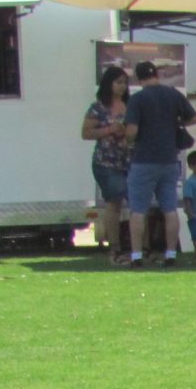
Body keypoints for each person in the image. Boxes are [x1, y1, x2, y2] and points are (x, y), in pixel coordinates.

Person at [122, 60, 196, 268]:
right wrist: (175, 123)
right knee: (170, 209)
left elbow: (131, 132)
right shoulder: (173, 94)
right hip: (169, 159)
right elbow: (194, 118)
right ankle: (171, 253)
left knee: (138, 210)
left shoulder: (137, 99)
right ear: (157, 74)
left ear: (138, 79)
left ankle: (137, 256)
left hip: (144, 160)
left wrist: (127, 143)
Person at [81, 65, 131, 264]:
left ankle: (137, 247)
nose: (122, 87)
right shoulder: (98, 107)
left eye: (125, 83)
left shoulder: (131, 104)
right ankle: (115, 245)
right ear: (108, 84)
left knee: (136, 203)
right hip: (106, 161)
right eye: (118, 82)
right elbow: (86, 133)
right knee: (114, 202)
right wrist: (110, 130)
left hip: (129, 160)